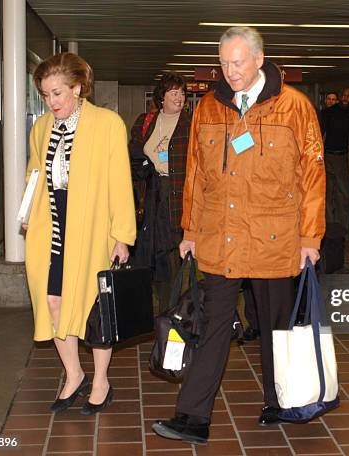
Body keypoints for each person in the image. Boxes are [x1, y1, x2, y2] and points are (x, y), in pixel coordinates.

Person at [151, 26, 325, 445]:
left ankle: (280, 401)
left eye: (238, 62)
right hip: (221, 235)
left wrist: (310, 238)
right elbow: (194, 172)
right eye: (225, 63)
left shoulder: (294, 107)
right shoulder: (208, 108)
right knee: (212, 324)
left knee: (275, 327)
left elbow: (313, 175)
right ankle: (193, 417)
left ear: (259, 60)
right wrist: (190, 228)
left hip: (275, 237)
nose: (230, 71)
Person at [24, 52, 136, 415]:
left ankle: (101, 380)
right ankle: (74, 375)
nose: (51, 102)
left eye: (57, 93)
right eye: (44, 94)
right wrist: (26, 211)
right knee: (53, 303)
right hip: (52, 227)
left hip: (91, 229)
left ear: (77, 88)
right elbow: (34, 177)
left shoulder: (107, 124)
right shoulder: (41, 128)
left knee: (93, 309)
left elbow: (121, 182)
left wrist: (122, 236)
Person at [129, 72, 190, 312]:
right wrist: (145, 167)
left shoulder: (191, 123)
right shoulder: (145, 122)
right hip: (149, 197)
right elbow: (132, 153)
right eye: (174, 93)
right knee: (148, 257)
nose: (180, 98)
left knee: (172, 258)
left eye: (182, 93)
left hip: (176, 197)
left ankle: (171, 312)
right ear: (161, 97)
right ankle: (151, 312)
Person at [320, 87, 349, 231]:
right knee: (328, 194)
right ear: (339, 97)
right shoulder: (327, 114)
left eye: (348, 97)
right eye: (343, 96)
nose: (345, 99)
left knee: (343, 195)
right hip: (327, 157)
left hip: (345, 159)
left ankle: (343, 227)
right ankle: (329, 225)